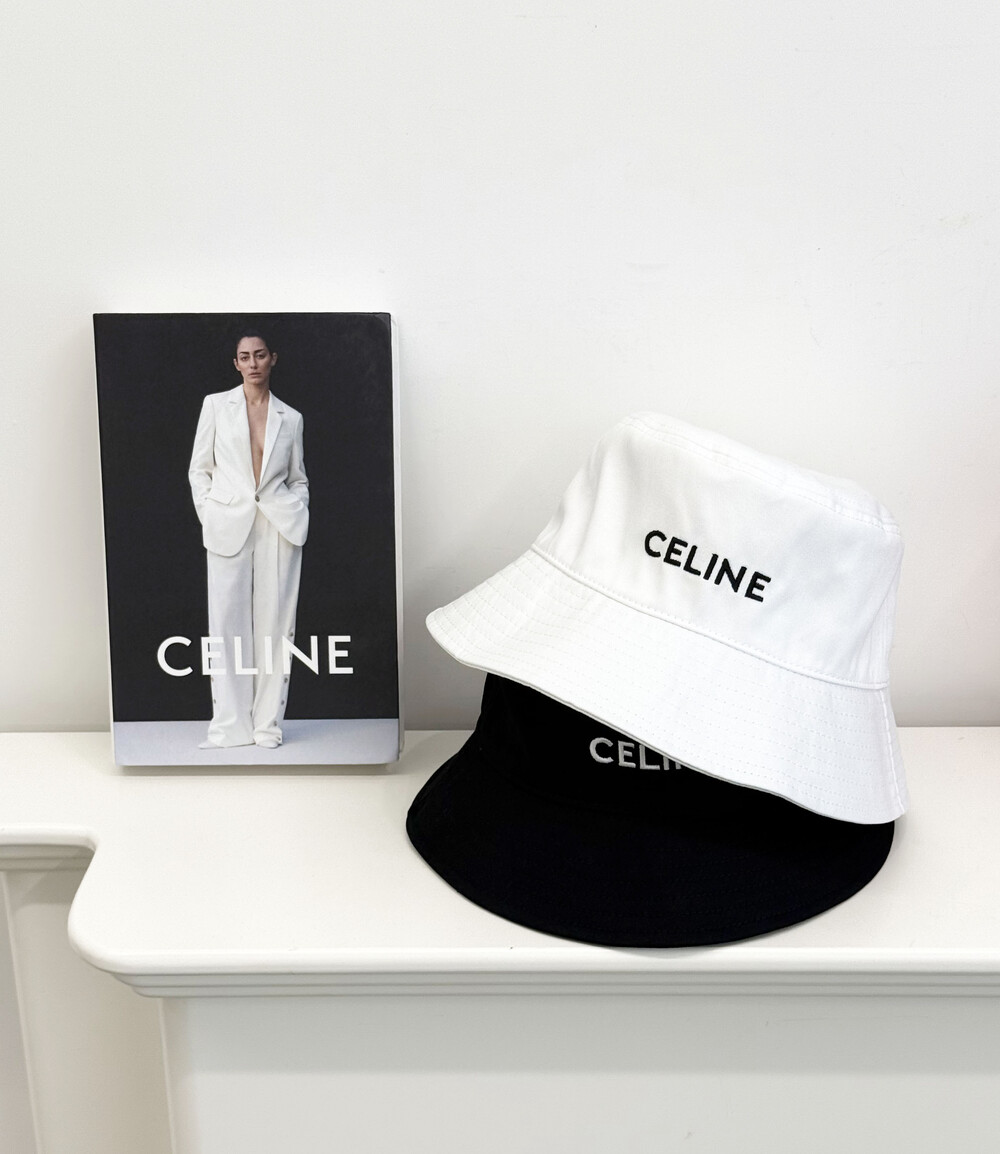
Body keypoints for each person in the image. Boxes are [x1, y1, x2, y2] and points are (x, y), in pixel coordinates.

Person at [188, 333, 309, 748]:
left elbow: (297, 477)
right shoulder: (215, 406)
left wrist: (298, 507)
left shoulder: (291, 418)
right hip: (228, 521)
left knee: (277, 626)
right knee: (226, 625)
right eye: (245, 357)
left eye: (259, 355)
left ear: (272, 358)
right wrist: (210, 512)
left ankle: (266, 725)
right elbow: (199, 469)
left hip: (278, 522)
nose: (253, 363)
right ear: (236, 363)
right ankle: (230, 726)